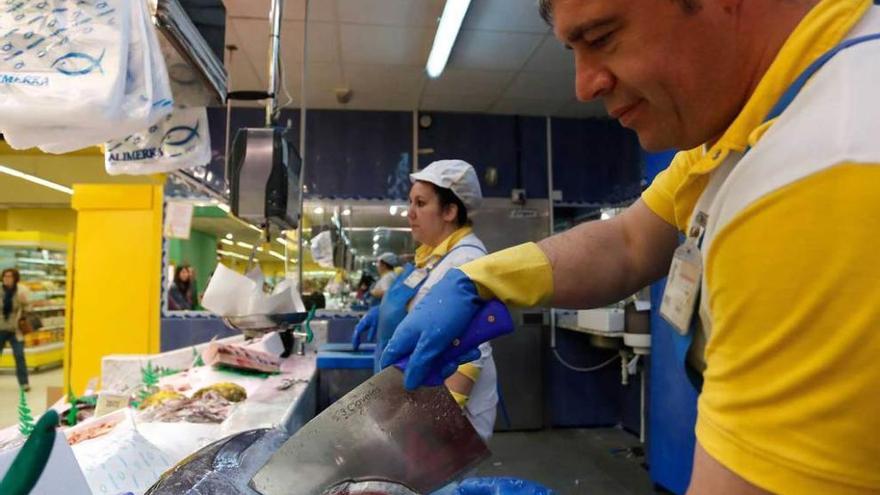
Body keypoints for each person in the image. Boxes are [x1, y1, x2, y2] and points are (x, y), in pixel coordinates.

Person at [382, 1, 880, 494]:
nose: (583, 86)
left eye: (601, 37)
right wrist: (481, 281)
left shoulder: (820, 182)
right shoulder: (743, 127)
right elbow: (629, 241)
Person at [355, 159, 499, 442]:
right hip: (420, 394)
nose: (410, 213)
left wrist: (437, 419)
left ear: (449, 211)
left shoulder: (466, 260)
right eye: (410, 202)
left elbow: (473, 348)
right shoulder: (433, 257)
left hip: (447, 414)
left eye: (420, 204)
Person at [0, 268, 30, 391]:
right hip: (0, 328)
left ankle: (24, 383)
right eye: (5, 276)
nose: (7, 278)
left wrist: (24, 302)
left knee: (19, 355)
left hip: (15, 329)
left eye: (10, 276)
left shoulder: (21, 290)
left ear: (15, 278)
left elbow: (28, 308)